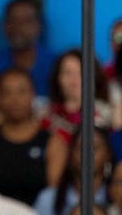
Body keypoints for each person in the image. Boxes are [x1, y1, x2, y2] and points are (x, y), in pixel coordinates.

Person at [0, 68, 50, 206]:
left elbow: (53, 197)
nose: (14, 99)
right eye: (7, 93)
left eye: (21, 92)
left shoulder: (52, 142)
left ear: (33, 94)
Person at [42, 49, 111, 185]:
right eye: (67, 72)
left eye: (81, 71)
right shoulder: (43, 116)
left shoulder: (109, 115)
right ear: (58, 78)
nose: (74, 79)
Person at [0, 0, 56, 104]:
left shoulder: (55, 64)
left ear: (38, 26)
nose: (19, 27)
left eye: (26, 21)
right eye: (13, 20)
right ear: (5, 26)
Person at [33, 127, 113, 215]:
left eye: (95, 148)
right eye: (80, 148)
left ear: (107, 154)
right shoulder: (48, 199)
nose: (87, 154)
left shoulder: (116, 196)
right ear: (71, 153)